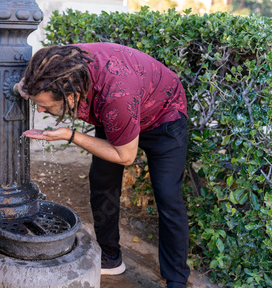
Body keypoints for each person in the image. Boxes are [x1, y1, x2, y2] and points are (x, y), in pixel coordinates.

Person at [18, 42, 190, 288]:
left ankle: (176, 278)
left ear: (71, 96)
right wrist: (23, 88)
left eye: (45, 105)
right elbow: (27, 86)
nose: (40, 109)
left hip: (162, 117)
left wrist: (71, 135)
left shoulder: (116, 96)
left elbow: (125, 156)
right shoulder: (54, 69)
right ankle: (110, 258)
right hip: (120, 111)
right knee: (102, 180)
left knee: (167, 194)